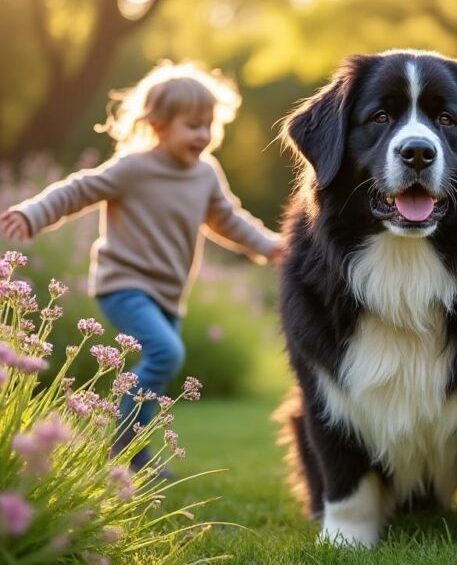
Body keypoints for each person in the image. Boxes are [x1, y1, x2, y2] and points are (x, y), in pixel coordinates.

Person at [1, 61, 284, 472]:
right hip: (123, 284)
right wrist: (33, 213)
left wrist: (270, 246)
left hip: (169, 295)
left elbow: (228, 220)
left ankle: (136, 451)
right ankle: (123, 445)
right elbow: (78, 189)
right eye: (192, 125)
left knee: (160, 368)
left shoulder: (206, 174)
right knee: (166, 352)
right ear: (158, 125)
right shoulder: (133, 168)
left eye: (209, 125)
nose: (203, 135)